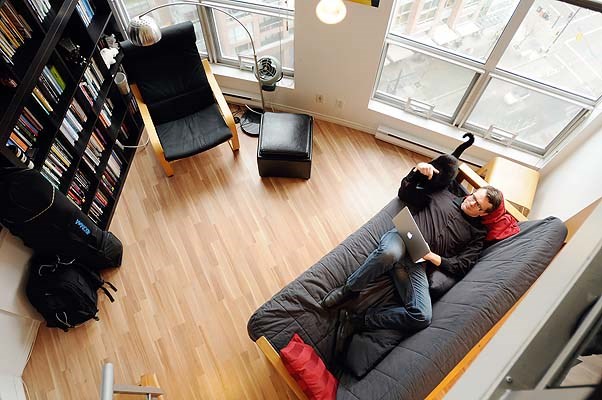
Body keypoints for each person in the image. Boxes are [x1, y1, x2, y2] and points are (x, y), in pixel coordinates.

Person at [320, 161, 504, 355]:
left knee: (422, 316)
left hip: (418, 263)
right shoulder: (444, 195)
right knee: (389, 254)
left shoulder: (477, 233)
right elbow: (405, 193)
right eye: (473, 196)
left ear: (484, 213)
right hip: (402, 237)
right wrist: (417, 169)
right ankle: (349, 289)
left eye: (477, 205)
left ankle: (356, 320)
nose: (471, 201)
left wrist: (432, 257)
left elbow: (462, 265)